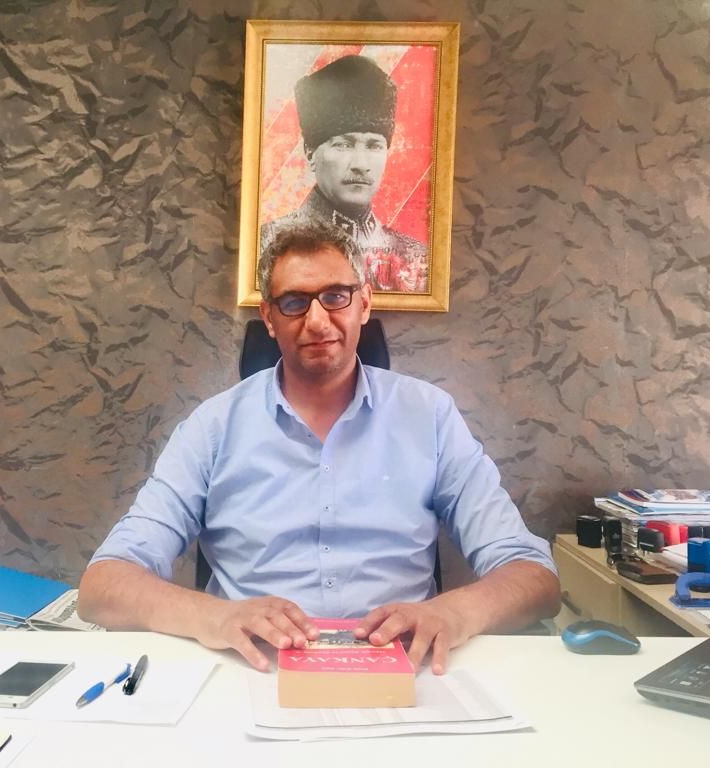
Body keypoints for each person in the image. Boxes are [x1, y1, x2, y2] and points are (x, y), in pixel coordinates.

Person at [78, 220, 560, 675]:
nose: (316, 320)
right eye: (293, 302)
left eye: (335, 296)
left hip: (402, 672)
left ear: (364, 304)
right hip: (251, 671)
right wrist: (214, 616)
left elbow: (534, 577)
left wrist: (454, 613)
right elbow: (103, 586)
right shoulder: (213, 427)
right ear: (269, 317)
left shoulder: (430, 416)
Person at [259, 54, 430, 293]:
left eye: (374, 146)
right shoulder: (265, 244)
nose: (360, 164)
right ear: (310, 152)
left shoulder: (417, 258)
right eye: (344, 145)